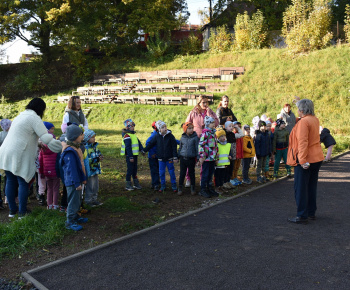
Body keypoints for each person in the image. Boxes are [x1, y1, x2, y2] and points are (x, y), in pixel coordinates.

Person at [0, 98, 62, 218]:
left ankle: (12, 211)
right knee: (23, 181)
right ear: (41, 109)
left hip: (5, 151)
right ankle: (22, 212)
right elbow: (46, 137)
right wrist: (62, 146)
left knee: (10, 181)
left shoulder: (20, 115)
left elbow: (24, 135)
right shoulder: (34, 118)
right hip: (19, 153)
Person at [287, 98, 324, 224]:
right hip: (316, 157)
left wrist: (302, 161)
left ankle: (302, 215)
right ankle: (310, 212)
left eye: (298, 108)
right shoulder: (315, 119)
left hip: (306, 158)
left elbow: (303, 142)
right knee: (311, 186)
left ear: (301, 110)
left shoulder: (304, 122)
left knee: (301, 187)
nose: (297, 110)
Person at [60, 124, 88, 231]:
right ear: (75, 136)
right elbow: (72, 170)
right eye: (81, 134)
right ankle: (70, 221)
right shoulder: (70, 152)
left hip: (77, 181)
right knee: (72, 201)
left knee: (77, 200)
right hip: (72, 182)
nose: (83, 136)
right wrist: (77, 183)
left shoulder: (76, 148)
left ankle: (75, 216)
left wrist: (83, 179)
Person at [143, 121, 178, 193]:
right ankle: (163, 185)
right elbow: (151, 144)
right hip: (161, 159)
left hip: (169, 158)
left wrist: (175, 156)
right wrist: (145, 150)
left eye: (165, 126)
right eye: (162, 127)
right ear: (159, 129)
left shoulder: (170, 136)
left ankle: (174, 185)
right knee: (161, 173)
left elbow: (174, 147)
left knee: (171, 172)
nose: (165, 128)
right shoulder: (156, 136)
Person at [39, 122, 61, 210]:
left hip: (46, 171)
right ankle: (55, 204)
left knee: (49, 188)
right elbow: (59, 161)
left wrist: (41, 172)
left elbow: (40, 161)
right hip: (55, 172)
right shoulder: (56, 149)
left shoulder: (42, 149)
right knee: (55, 188)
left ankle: (49, 204)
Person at [198, 116, 219, 198]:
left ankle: (209, 188)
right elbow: (201, 145)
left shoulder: (213, 133)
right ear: (207, 124)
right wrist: (202, 155)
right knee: (205, 174)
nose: (213, 124)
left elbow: (216, 146)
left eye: (214, 122)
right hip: (206, 158)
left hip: (212, 157)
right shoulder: (205, 133)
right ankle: (203, 189)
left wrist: (216, 157)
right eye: (212, 123)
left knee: (210, 174)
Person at [121, 119, 143, 191]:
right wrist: (130, 156)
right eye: (132, 126)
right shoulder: (127, 136)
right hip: (130, 156)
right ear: (128, 127)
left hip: (135, 155)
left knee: (134, 169)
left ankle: (136, 183)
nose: (133, 127)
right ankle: (128, 184)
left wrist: (142, 149)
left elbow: (138, 143)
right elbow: (128, 147)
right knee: (130, 170)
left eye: (133, 126)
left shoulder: (133, 135)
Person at [83, 129, 103, 207]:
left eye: (94, 137)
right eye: (92, 137)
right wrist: (96, 159)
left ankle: (94, 199)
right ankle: (88, 200)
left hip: (96, 170)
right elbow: (86, 160)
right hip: (90, 170)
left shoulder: (95, 147)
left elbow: (98, 153)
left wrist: (100, 156)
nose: (94, 139)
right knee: (90, 186)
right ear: (87, 138)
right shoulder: (86, 149)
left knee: (96, 186)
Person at [177, 122, 198, 196]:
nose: (191, 129)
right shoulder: (182, 137)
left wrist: (198, 158)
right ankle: (180, 187)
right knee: (182, 173)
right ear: (185, 130)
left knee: (192, 173)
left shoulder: (195, 138)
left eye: (192, 128)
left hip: (191, 158)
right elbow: (180, 148)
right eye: (189, 128)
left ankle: (193, 188)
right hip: (183, 158)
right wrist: (178, 156)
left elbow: (197, 149)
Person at [214, 128, 234, 194]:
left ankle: (221, 186)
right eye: (221, 136)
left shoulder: (228, 145)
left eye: (224, 136)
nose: (223, 137)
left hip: (225, 164)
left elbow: (229, 152)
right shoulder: (216, 145)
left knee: (222, 176)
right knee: (218, 176)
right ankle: (217, 187)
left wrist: (230, 156)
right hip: (218, 164)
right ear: (218, 138)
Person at [0, 119, 12, 210]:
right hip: (10, 159)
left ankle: (5, 198)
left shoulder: (0, 134)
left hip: (1, 159)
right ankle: (9, 198)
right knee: (9, 179)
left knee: (4, 178)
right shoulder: (12, 135)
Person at [146, 121, 161, 191]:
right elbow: (148, 142)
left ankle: (155, 183)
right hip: (153, 157)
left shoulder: (158, 134)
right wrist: (152, 153)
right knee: (154, 170)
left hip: (157, 155)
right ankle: (155, 184)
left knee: (157, 169)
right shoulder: (154, 135)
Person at [231, 121, 244, 186]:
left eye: (240, 127)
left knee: (237, 167)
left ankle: (235, 177)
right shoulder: (234, 135)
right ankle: (232, 178)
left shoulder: (240, 136)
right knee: (233, 167)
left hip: (239, 154)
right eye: (237, 127)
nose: (239, 128)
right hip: (235, 154)